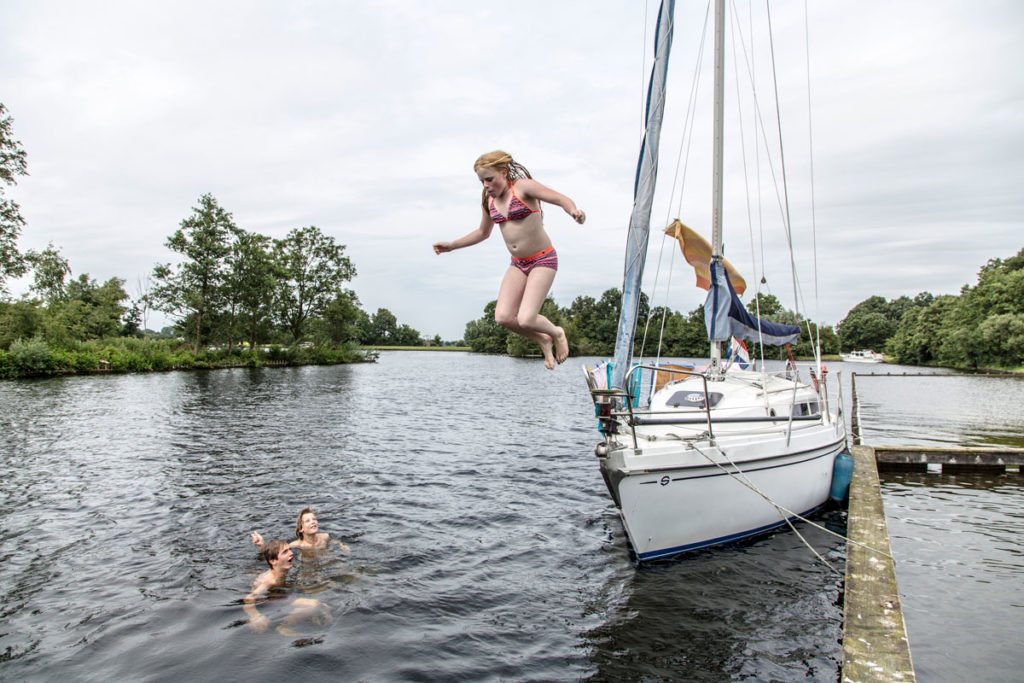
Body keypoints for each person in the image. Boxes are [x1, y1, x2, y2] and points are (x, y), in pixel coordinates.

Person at [433, 151, 585, 370]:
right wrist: (451, 246)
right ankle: (542, 339)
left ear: (503, 173)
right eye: (481, 181)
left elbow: (559, 198)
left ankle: (556, 332)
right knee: (503, 316)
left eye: (489, 179)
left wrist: (574, 211)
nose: (485, 185)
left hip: (543, 259)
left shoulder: (523, 187)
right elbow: (482, 232)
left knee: (526, 318)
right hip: (518, 263)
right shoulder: (490, 201)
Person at [243, 539, 324, 635]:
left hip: (281, 595)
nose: (291, 553)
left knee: (319, 603)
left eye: (289, 550)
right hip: (270, 601)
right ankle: (283, 626)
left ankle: (307, 616)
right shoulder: (270, 580)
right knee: (313, 604)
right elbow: (248, 598)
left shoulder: (282, 571)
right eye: (285, 552)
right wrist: (256, 616)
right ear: (273, 561)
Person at [250, 507, 350, 553]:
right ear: (301, 529)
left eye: (314, 519)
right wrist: (262, 545)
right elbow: (275, 554)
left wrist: (342, 545)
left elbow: (334, 542)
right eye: (308, 521)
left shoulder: (325, 537)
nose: (313, 522)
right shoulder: (296, 545)